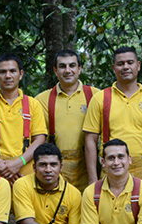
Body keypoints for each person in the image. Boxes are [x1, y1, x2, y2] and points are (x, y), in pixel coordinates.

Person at [83, 47, 142, 186]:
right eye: (120, 64)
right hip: (112, 167)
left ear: (138, 65)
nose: (126, 67)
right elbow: (90, 140)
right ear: (113, 67)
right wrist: (93, 180)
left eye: (130, 62)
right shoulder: (100, 98)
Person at [0, 53, 47, 184]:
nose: (8, 76)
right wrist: (1, 167)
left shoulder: (33, 104)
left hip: (25, 172)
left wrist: (19, 162)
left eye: (12, 71)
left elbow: (40, 139)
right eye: (3, 72)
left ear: (21, 74)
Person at [34, 50, 101, 191]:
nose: (68, 70)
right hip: (55, 167)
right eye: (63, 66)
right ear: (55, 70)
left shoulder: (96, 95)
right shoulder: (42, 99)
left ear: (79, 69)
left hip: (88, 165)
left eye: (72, 65)